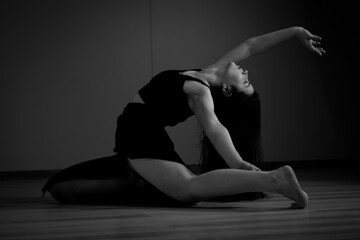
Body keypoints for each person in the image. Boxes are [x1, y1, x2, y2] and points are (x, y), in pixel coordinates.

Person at [42, 26, 325, 209]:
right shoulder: (208, 72)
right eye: (248, 79)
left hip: (138, 134)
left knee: (188, 190)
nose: (247, 73)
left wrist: (238, 162)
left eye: (246, 82)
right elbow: (251, 45)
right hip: (143, 134)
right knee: (61, 190)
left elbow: (214, 128)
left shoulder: (199, 92)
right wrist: (295, 32)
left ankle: (273, 181)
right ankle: (140, 180)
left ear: (227, 89)